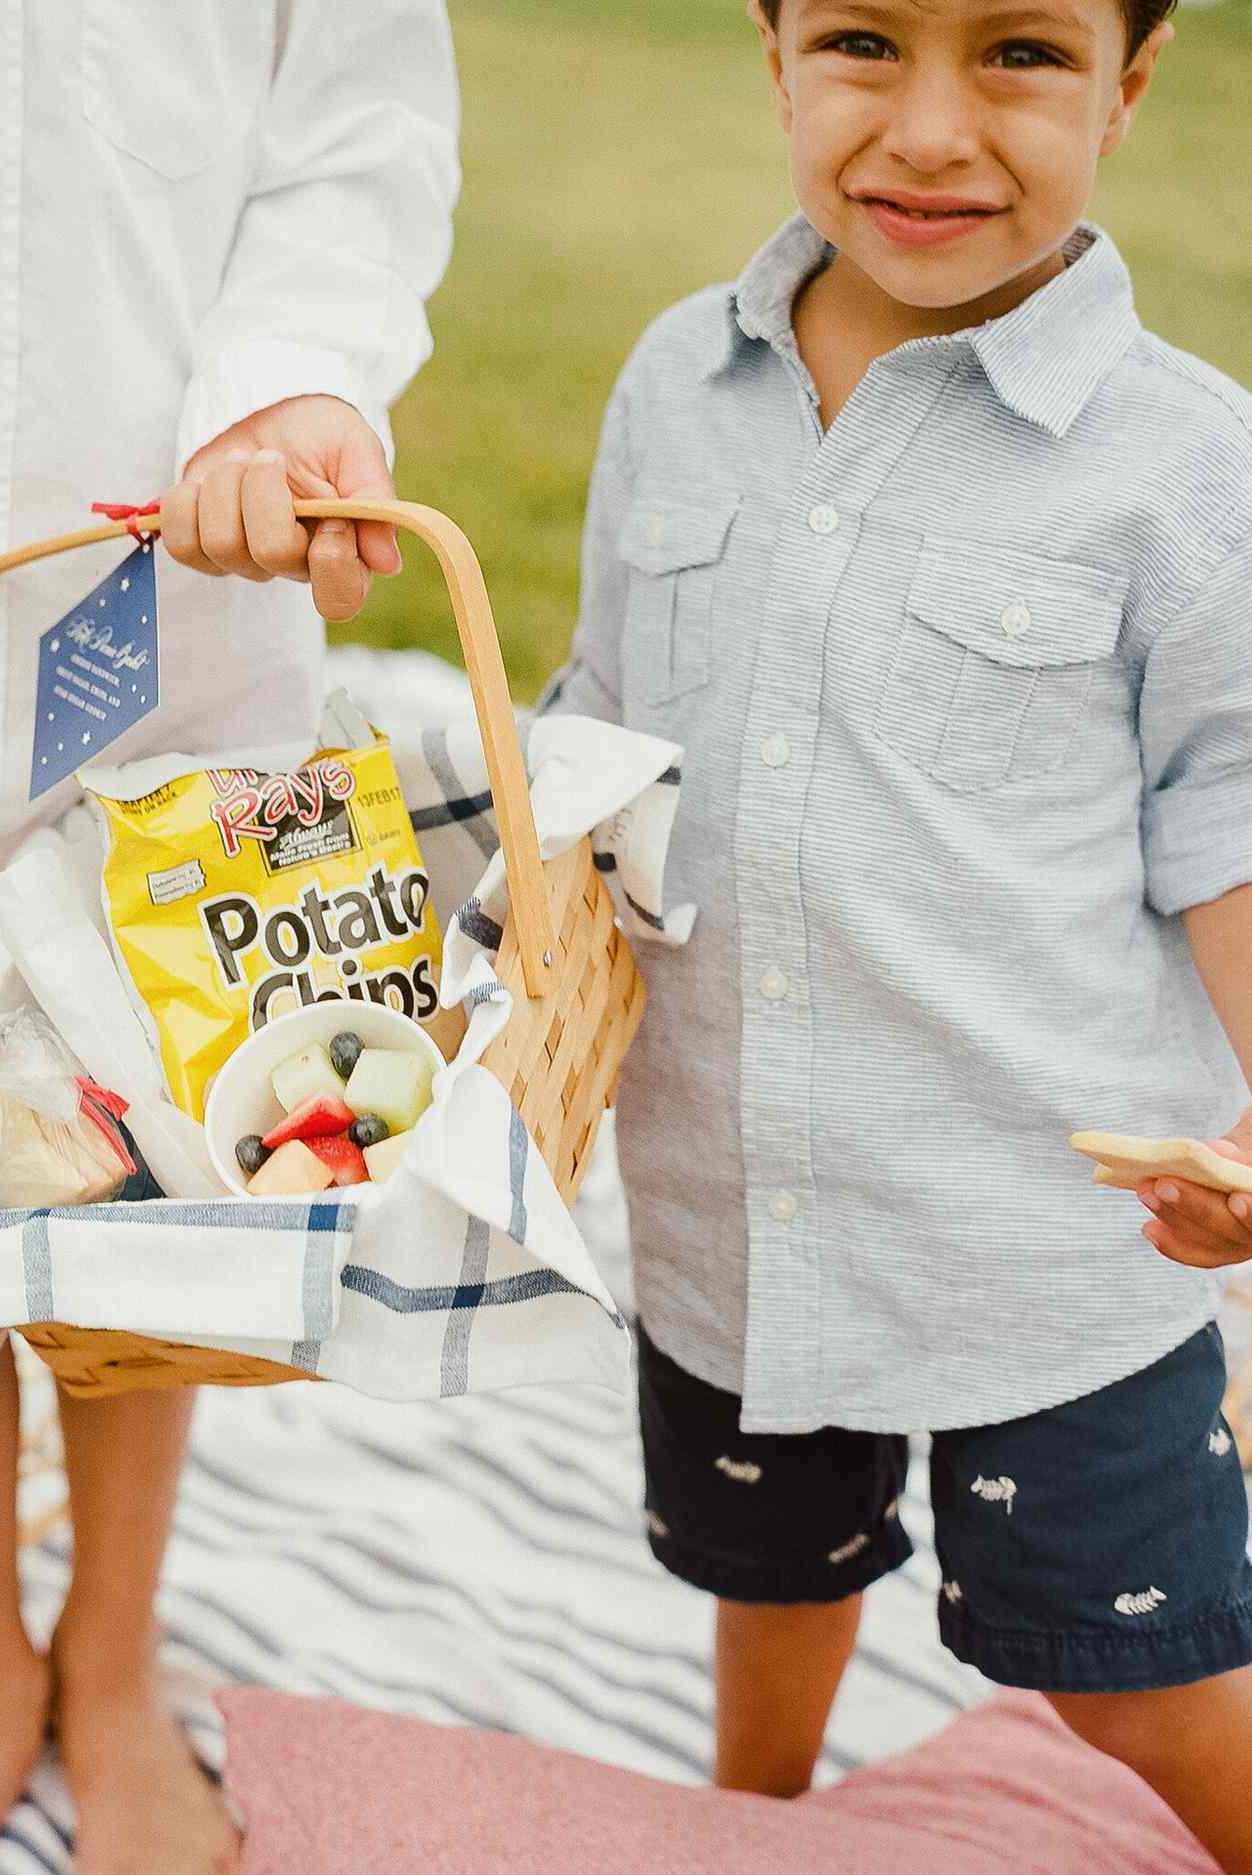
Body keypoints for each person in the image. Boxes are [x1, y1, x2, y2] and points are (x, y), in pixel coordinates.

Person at [544, 0, 1252, 1865]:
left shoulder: (1182, 463)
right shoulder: (668, 387)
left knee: (1136, 1667)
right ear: (773, 56)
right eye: (865, 40)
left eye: (1020, 52)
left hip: (1042, 1248)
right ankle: (748, 1824)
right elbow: (601, 711)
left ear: (1132, 82)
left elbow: (1234, 819)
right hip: (727, 1207)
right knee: (768, 1564)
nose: (932, 129)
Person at [0, 5, 458, 1873]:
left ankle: (114, 1662)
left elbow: (351, 132)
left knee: (155, 1201)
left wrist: (288, 380)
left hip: (165, 621)